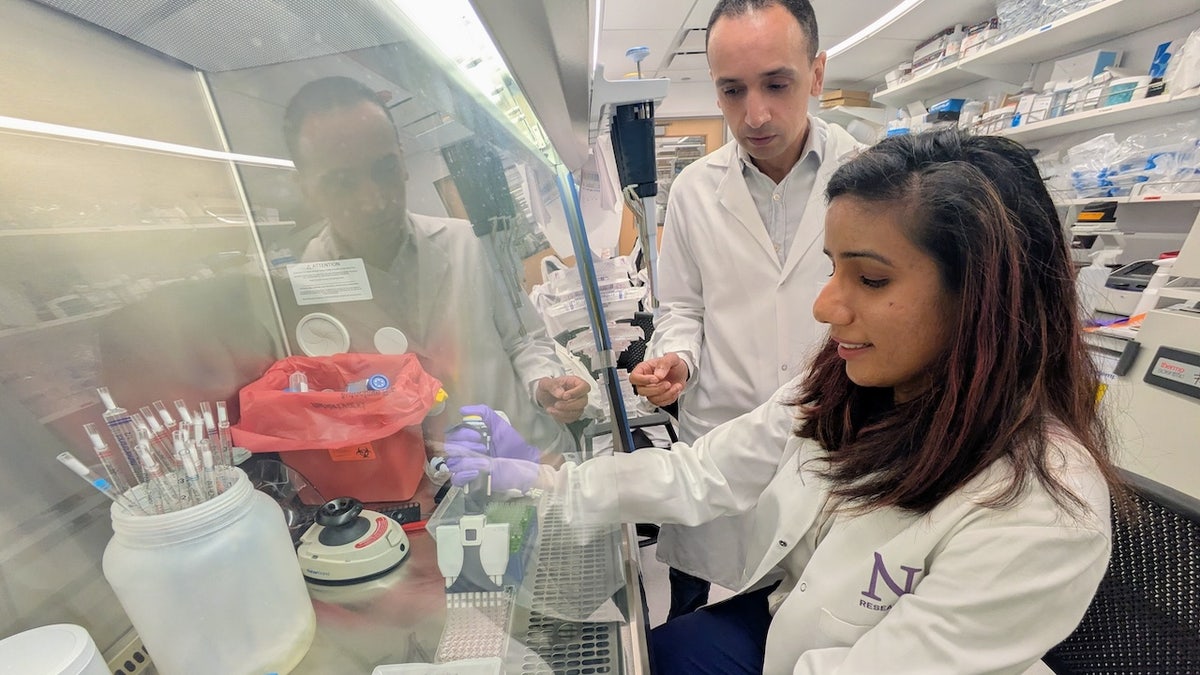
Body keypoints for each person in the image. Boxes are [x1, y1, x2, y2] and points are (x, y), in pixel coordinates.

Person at [446, 130, 1125, 674]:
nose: (824, 306)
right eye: (832, 267)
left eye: (871, 278)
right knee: (665, 651)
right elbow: (704, 471)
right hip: (787, 618)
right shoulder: (846, 389)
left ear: (984, 296)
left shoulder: (1044, 511)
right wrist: (551, 480)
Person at [628, 0, 863, 618]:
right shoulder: (693, 190)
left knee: (810, 608)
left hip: (833, 434)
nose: (754, 114)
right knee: (690, 599)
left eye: (777, 84)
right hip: (721, 429)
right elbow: (682, 308)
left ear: (816, 74)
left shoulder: (871, 180)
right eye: (732, 91)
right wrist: (676, 359)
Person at [282, 76, 589, 452]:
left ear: (402, 160)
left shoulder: (465, 243)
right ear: (305, 189)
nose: (373, 200)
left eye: (384, 169)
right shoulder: (306, 285)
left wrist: (544, 384)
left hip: (530, 454)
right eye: (341, 182)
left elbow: (523, 339)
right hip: (426, 478)